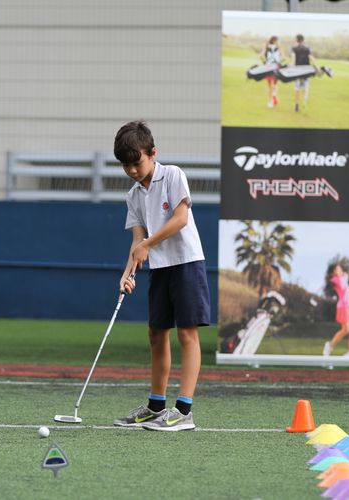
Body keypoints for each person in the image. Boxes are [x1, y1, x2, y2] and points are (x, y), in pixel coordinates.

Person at [112, 121, 211, 432]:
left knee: (187, 334)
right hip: (160, 267)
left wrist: (147, 245)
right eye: (125, 165)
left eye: (136, 162)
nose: (131, 170)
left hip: (186, 263)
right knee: (156, 333)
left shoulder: (173, 175)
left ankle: (183, 411)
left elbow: (180, 219)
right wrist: (128, 273)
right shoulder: (133, 195)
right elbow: (137, 241)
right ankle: (156, 407)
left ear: (152, 153)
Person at [323, 263, 349, 357]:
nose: (340, 271)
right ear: (333, 272)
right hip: (343, 306)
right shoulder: (335, 280)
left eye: (340, 269)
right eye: (337, 269)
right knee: (345, 329)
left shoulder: (342, 277)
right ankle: (329, 345)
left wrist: (345, 276)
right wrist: (345, 276)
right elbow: (342, 284)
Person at [291, 34, 320, 112]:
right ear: (303, 40)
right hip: (306, 72)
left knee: (297, 89)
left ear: (296, 40)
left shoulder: (294, 49)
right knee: (305, 88)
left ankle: (296, 106)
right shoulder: (307, 49)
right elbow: (311, 58)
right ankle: (304, 102)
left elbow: (293, 60)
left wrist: (291, 70)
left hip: (297, 71)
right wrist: (318, 68)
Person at [260, 35, 283, 108]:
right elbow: (284, 57)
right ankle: (274, 96)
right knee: (275, 84)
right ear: (275, 41)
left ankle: (270, 101)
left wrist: (265, 62)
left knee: (270, 86)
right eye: (278, 40)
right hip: (276, 66)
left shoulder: (267, 46)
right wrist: (279, 62)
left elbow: (261, 56)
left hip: (268, 67)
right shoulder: (279, 47)